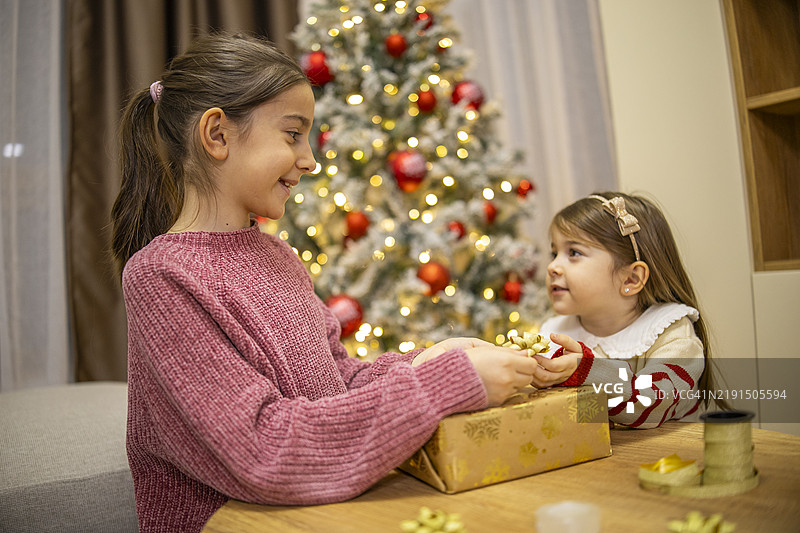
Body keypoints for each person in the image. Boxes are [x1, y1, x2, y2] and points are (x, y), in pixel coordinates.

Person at [110, 32, 538, 533]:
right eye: (293, 134)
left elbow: (336, 382)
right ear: (218, 135)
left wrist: (433, 359)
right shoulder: (161, 277)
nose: (310, 159)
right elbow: (265, 450)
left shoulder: (278, 257)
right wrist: (445, 385)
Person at [533, 192, 726, 428]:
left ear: (631, 279)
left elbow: (650, 401)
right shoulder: (554, 332)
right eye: (554, 253)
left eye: (574, 253)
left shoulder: (671, 334)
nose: (552, 266)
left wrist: (586, 371)